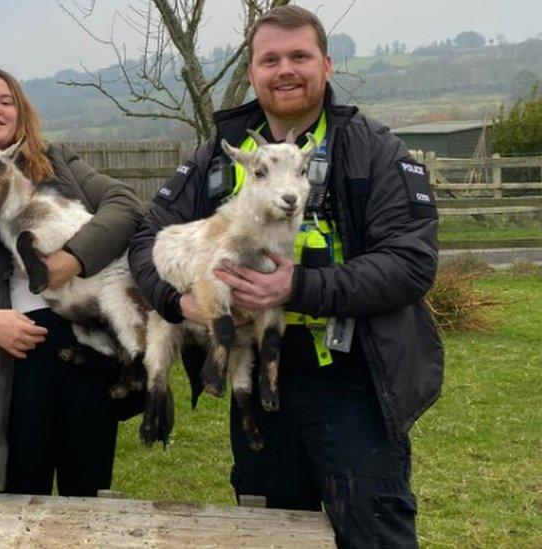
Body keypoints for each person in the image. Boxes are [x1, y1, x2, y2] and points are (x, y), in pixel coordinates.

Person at [128, 6, 443, 547]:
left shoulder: (373, 149)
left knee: (373, 530)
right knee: (267, 530)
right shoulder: (218, 157)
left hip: (352, 376)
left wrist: (298, 288)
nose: (285, 70)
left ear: (327, 64)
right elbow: (143, 239)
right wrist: (178, 305)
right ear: (252, 73)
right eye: (269, 59)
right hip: (255, 374)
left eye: (299, 56)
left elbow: (412, 262)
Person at [0, 68, 146, 496]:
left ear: (20, 111)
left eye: (5, 100)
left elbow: (125, 205)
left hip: (83, 343)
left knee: (87, 491)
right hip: (6, 360)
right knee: (21, 494)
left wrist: (75, 258)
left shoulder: (60, 165)